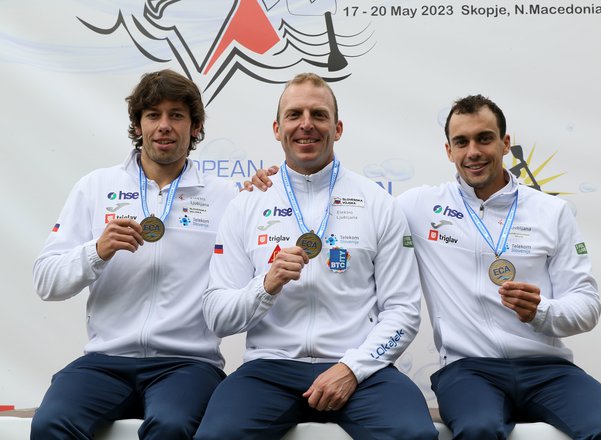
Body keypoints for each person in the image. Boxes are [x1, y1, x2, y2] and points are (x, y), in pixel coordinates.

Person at [194, 73, 438, 440]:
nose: (306, 124)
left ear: (337, 128)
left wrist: (352, 368)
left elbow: (402, 311)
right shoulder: (246, 203)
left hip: (361, 368)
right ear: (277, 129)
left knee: (414, 434)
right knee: (216, 436)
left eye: (318, 115)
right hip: (270, 369)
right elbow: (217, 317)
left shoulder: (378, 203)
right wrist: (266, 285)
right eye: (294, 115)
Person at [395, 94, 601, 439]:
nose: (473, 151)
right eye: (461, 142)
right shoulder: (419, 206)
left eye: (484, 138)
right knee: (479, 429)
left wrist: (541, 310)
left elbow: (587, 306)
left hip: (548, 370)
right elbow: (360, 212)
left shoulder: (551, 212)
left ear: (505, 144)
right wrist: (284, 184)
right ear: (449, 151)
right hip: (469, 370)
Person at [31, 69, 238, 440]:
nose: (164, 126)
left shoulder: (226, 197)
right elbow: (46, 282)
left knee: (172, 426)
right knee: (50, 424)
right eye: (153, 115)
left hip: (187, 364)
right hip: (105, 361)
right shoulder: (96, 187)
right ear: (137, 124)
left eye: (176, 115)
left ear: (196, 126)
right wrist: (96, 252)